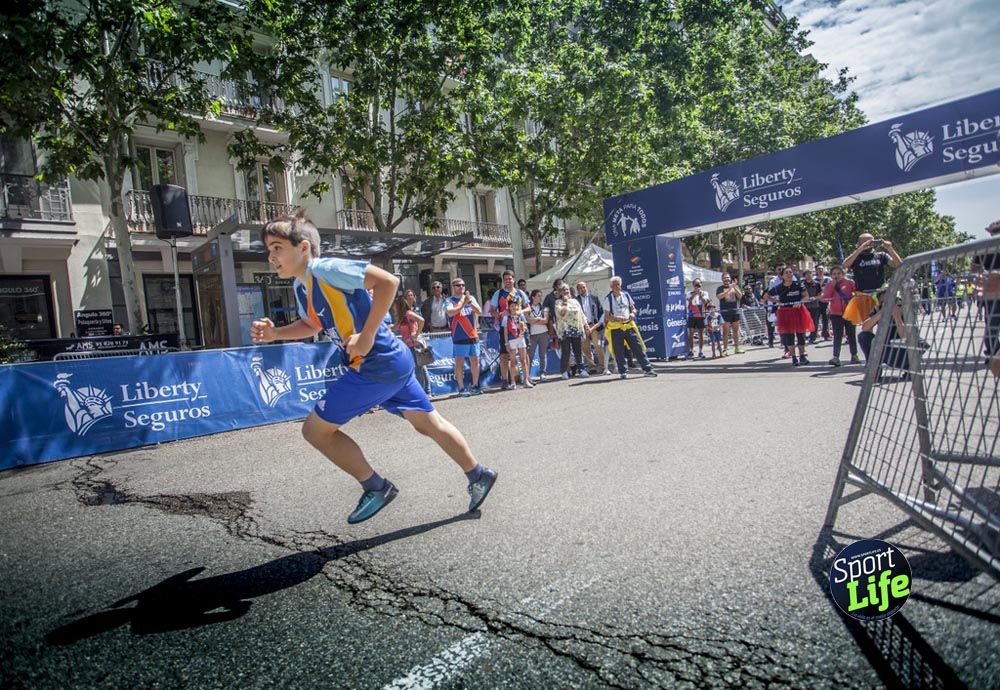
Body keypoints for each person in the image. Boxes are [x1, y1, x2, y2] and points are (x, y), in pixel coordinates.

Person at [250, 210, 497, 524]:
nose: (271, 256)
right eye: (268, 249)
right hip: (391, 361)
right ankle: (478, 475)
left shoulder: (325, 268)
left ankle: (376, 487)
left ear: (303, 248)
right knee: (428, 424)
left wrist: (365, 337)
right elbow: (312, 324)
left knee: (315, 431)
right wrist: (276, 334)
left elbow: (388, 282)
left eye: (277, 247)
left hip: (376, 363)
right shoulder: (303, 288)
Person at [605, 276, 657, 379]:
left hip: (628, 325)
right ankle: (623, 371)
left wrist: (633, 314)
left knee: (638, 348)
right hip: (616, 328)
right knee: (618, 351)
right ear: (611, 287)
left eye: (618, 284)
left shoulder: (626, 295)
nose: (617, 287)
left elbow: (633, 308)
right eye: (614, 285)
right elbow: (607, 315)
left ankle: (648, 369)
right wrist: (616, 318)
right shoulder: (608, 298)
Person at [843, 234, 902, 325]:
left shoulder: (881, 255)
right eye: (865, 242)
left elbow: (898, 265)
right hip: (863, 295)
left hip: (880, 294)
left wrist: (890, 249)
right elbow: (845, 265)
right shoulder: (856, 257)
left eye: (871, 241)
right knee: (867, 324)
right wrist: (859, 250)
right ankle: (868, 339)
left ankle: (885, 338)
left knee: (885, 323)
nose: (869, 244)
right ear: (858, 244)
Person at [765, 267, 814, 366]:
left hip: (799, 311)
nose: (789, 274)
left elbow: (806, 296)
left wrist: (800, 302)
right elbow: (765, 296)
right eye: (786, 273)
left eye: (790, 272)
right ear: (782, 276)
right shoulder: (778, 287)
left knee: (801, 334)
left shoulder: (798, 285)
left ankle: (802, 356)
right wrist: (777, 302)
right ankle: (794, 358)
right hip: (785, 312)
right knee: (789, 335)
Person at [490, 271, 530, 389]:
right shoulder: (499, 293)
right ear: (503, 281)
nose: (508, 281)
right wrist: (501, 314)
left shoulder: (520, 292)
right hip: (506, 326)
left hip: (520, 325)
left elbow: (528, 308)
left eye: (510, 278)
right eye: (505, 279)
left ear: (513, 279)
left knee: (524, 353)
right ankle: (505, 380)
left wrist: (520, 312)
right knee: (504, 354)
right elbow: (492, 311)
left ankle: (526, 378)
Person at [446, 277, 483, 397]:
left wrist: (469, 302)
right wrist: (462, 303)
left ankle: (475, 385)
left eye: (462, 285)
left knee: (475, 360)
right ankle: (461, 388)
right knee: (459, 362)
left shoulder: (470, 298)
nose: (461, 287)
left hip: (472, 334)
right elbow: (451, 312)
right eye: (458, 285)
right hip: (459, 335)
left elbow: (479, 311)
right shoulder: (450, 300)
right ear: (453, 287)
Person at [821, 264, 860, 366]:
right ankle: (836, 357)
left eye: (839, 273)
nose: (836, 276)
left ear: (843, 274)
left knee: (851, 334)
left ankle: (854, 355)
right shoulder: (829, 284)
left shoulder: (849, 283)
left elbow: (857, 294)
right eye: (834, 274)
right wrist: (832, 286)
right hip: (835, 313)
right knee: (837, 335)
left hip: (849, 312)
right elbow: (825, 297)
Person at [392, 294, 428, 392]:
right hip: (408, 346)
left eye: (394, 305)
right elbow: (395, 328)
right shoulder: (401, 317)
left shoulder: (408, 314)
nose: (393, 307)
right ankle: (422, 390)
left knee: (419, 368)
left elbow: (421, 320)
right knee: (416, 368)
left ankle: (425, 391)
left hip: (415, 344)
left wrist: (416, 334)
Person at [554, 284, 588, 380]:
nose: (566, 291)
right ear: (560, 292)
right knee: (566, 351)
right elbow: (561, 313)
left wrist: (586, 326)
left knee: (578, 350)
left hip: (576, 329)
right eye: (564, 290)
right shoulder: (558, 302)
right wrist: (565, 302)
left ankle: (581, 370)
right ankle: (564, 371)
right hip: (565, 330)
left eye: (567, 289)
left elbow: (581, 314)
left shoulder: (575, 301)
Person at [500, 292, 533, 388]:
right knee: (513, 361)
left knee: (523, 360)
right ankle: (513, 382)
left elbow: (525, 327)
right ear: (509, 307)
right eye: (512, 306)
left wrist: (524, 327)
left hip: (520, 338)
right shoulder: (506, 317)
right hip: (511, 340)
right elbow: (505, 331)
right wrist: (506, 344)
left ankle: (526, 380)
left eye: (515, 306)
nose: (514, 308)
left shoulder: (520, 315)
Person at [575, 281, 608, 375]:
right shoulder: (575, 301)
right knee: (586, 348)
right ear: (577, 290)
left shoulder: (594, 298)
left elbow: (601, 313)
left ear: (586, 287)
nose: (582, 289)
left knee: (598, 345)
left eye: (583, 287)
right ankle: (591, 366)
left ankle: (602, 365)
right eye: (580, 288)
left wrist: (596, 325)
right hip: (582, 327)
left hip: (593, 325)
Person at [715, 273, 743, 355]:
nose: (726, 279)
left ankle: (737, 347)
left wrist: (734, 287)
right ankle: (725, 348)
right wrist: (729, 289)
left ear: (730, 278)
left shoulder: (735, 286)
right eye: (724, 278)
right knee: (726, 331)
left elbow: (740, 296)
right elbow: (719, 297)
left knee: (735, 331)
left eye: (727, 277)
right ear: (722, 279)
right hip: (725, 312)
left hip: (735, 311)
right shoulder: (720, 288)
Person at [526, 289, 551, 380]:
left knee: (542, 354)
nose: (540, 298)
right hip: (532, 334)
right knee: (530, 354)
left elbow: (545, 321)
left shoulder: (544, 307)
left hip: (543, 333)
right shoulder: (528, 308)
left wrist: (535, 320)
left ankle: (542, 373)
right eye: (538, 296)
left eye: (541, 296)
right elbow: (528, 320)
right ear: (533, 297)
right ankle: (527, 374)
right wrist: (539, 319)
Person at [686, 280, 709, 360]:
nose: (697, 286)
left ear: (701, 285)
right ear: (693, 285)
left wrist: (700, 294)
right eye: (696, 284)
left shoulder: (704, 293)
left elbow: (705, 301)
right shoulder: (689, 293)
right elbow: (689, 301)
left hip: (701, 315)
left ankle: (700, 351)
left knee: (700, 334)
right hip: (692, 315)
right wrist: (695, 293)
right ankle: (691, 350)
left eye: (699, 284)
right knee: (691, 334)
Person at [801, 269, 822, 344]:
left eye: (810, 274)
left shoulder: (816, 284)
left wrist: (815, 298)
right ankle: (802, 338)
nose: (809, 275)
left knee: (814, 322)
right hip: (804, 306)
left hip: (814, 306)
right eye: (807, 274)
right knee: (803, 322)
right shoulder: (801, 284)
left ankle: (813, 337)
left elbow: (820, 295)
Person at [814, 265, 832, 339]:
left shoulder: (828, 279)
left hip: (826, 302)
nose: (820, 270)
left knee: (826, 319)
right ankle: (814, 334)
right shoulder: (813, 280)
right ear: (816, 271)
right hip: (817, 302)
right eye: (818, 269)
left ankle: (825, 334)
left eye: (821, 269)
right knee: (816, 319)